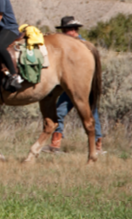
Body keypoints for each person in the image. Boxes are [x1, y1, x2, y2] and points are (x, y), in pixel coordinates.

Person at [42, 16, 104, 154]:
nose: (65, 33)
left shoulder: (78, 47)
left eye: (66, 30)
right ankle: (96, 144)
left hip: (76, 84)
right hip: (73, 84)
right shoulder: (79, 44)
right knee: (87, 110)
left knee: (67, 110)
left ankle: (57, 144)